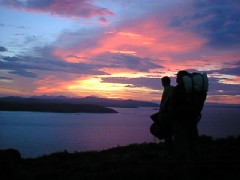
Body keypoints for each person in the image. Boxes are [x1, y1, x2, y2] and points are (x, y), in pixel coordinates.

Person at [170, 70, 203, 162]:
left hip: (180, 119)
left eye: (177, 77)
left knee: (180, 140)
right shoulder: (194, 89)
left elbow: (172, 104)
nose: (176, 78)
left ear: (181, 78)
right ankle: (196, 159)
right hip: (192, 118)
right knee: (192, 139)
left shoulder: (178, 88)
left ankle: (183, 160)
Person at [150, 76, 174, 155]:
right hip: (173, 114)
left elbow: (163, 103)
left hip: (167, 115)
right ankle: (171, 149)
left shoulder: (167, 89)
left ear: (163, 82)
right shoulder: (173, 88)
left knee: (166, 132)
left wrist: (160, 114)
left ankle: (170, 151)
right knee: (170, 132)